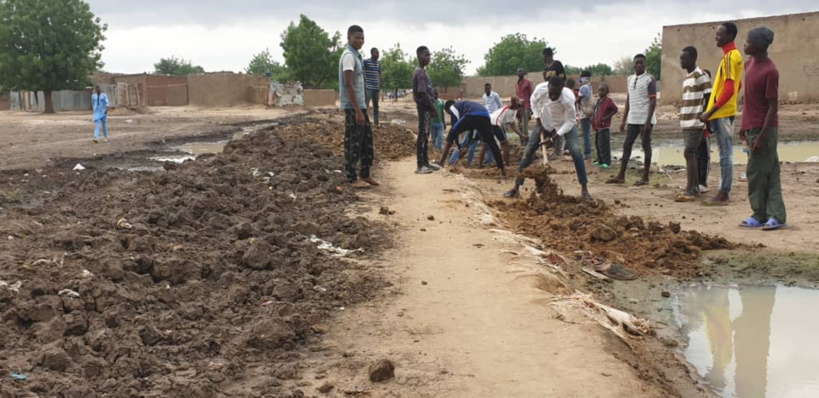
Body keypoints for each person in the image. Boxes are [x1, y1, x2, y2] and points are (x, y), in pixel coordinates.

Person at [503, 77, 591, 200]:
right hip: (545, 122)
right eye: (551, 93)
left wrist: (554, 138)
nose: (553, 96)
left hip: (564, 124)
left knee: (576, 151)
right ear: (548, 86)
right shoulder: (540, 89)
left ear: (562, 88)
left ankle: (584, 190)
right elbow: (533, 102)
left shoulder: (568, 98)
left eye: (556, 93)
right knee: (528, 151)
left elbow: (571, 121)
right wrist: (539, 123)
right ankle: (516, 188)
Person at [739, 27, 786, 230]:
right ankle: (776, 215)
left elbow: (773, 106)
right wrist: (743, 125)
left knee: (755, 173)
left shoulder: (770, 70)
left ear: (758, 46)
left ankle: (759, 214)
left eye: (748, 41)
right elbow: (748, 100)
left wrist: (762, 136)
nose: (745, 44)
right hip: (751, 126)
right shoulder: (749, 65)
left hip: (763, 129)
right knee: (770, 171)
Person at [698, 22, 744, 206]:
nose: (716, 37)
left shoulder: (728, 59)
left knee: (725, 152)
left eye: (719, 34)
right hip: (727, 110)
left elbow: (730, 88)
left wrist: (710, 111)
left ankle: (724, 193)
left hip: (722, 113)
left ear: (730, 35)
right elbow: (738, 85)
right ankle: (723, 191)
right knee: (726, 151)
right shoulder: (735, 56)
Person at [607, 54, 657, 186]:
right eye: (636, 63)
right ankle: (621, 175)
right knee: (627, 145)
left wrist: (648, 122)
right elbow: (628, 100)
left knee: (646, 146)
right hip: (633, 119)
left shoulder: (650, 79)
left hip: (645, 119)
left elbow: (653, 102)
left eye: (641, 63)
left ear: (645, 65)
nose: (639, 65)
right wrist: (624, 120)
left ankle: (645, 177)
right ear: (633, 65)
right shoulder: (630, 79)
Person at [339, 25, 378, 188]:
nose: (361, 41)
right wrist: (357, 111)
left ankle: (364, 174)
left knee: (366, 141)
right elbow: (348, 85)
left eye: (362, 38)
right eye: (357, 38)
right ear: (349, 38)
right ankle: (351, 178)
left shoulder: (357, 56)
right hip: (353, 107)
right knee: (353, 142)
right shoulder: (349, 56)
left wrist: (362, 109)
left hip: (360, 107)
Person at [676, 46, 713, 202]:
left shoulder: (701, 75)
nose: (681, 61)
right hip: (686, 121)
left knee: (689, 153)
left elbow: (710, 97)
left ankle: (690, 190)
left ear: (693, 58)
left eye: (684, 58)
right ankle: (695, 188)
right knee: (693, 154)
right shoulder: (687, 78)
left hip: (695, 122)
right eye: (680, 58)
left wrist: (706, 118)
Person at [438, 100, 506, 177]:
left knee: (451, 133)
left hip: (472, 115)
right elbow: (471, 131)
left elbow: (455, 130)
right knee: (492, 143)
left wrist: (459, 147)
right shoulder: (466, 106)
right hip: (485, 115)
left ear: (448, 109)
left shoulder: (453, 107)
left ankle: (441, 162)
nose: (450, 115)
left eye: (449, 113)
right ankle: (502, 168)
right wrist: (466, 147)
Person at [412, 46, 441, 175]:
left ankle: (426, 162)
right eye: (425, 55)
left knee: (426, 135)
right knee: (423, 134)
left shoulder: (423, 72)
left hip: (426, 108)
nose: (428, 58)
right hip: (424, 108)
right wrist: (433, 108)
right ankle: (420, 165)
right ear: (419, 56)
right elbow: (423, 93)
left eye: (429, 55)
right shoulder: (420, 73)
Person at [475, 96, 524, 168]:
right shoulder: (509, 107)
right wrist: (518, 100)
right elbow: (513, 99)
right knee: (505, 143)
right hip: (495, 123)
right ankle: (507, 164)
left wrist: (522, 135)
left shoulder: (514, 112)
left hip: (488, 123)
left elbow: (514, 127)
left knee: (485, 144)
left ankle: (479, 166)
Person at [592, 84, 618, 169]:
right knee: (598, 144)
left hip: (604, 126)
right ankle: (600, 161)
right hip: (597, 126)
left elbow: (615, 109)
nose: (600, 92)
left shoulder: (608, 101)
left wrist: (606, 117)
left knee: (604, 145)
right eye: (599, 90)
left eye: (602, 90)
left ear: (607, 92)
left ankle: (607, 162)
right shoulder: (599, 100)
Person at [697, 69, 714, 193]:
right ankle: (696, 181)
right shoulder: (696, 95)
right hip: (695, 127)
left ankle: (703, 182)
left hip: (705, 128)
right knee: (696, 155)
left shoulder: (710, 97)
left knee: (704, 155)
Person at [577, 71, 594, 161]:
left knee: (585, 133)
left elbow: (578, 100)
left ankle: (587, 153)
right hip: (589, 112)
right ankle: (588, 152)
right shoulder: (589, 86)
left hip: (584, 112)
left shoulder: (583, 87)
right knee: (587, 132)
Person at [363, 47, 382, 127]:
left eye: (378, 53)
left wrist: (378, 83)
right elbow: (362, 72)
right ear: (372, 53)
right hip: (368, 87)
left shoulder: (378, 63)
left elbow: (379, 73)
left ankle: (376, 123)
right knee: (365, 105)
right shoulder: (366, 62)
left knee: (376, 106)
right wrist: (365, 82)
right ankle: (364, 121)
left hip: (376, 88)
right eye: (376, 53)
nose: (377, 55)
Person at [515, 68, 534, 144]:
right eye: (518, 72)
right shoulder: (516, 84)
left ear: (524, 73)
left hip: (526, 106)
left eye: (521, 71)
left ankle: (526, 142)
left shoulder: (528, 82)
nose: (520, 73)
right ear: (517, 74)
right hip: (519, 108)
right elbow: (517, 95)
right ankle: (522, 141)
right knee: (519, 124)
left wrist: (531, 108)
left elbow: (532, 94)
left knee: (524, 125)